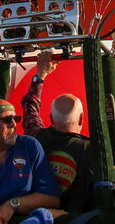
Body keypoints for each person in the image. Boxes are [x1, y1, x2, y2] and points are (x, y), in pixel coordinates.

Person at [21, 49, 95, 211]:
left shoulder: (36, 138)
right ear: (82, 118)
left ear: (52, 118)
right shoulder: (93, 150)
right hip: (80, 223)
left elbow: (29, 108)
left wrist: (40, 74)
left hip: (39, 220)